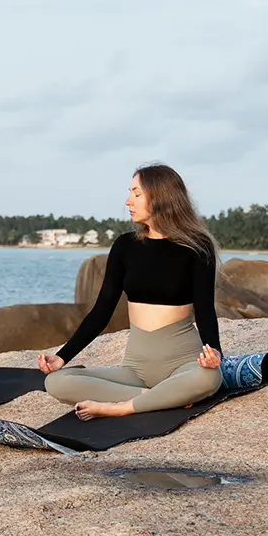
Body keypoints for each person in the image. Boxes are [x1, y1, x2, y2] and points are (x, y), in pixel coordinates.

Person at [38, 164, 224, 418]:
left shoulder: (197, 247)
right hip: (135, 371)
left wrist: (214, 351)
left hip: (183, 363)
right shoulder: (125, 246)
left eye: (136, 194)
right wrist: (61, 357)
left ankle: (121, 408)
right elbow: (102, 310)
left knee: (209, 377)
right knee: (57, 382)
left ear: (159, 196)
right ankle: (157, 397)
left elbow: (205, 310)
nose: (128, 201)